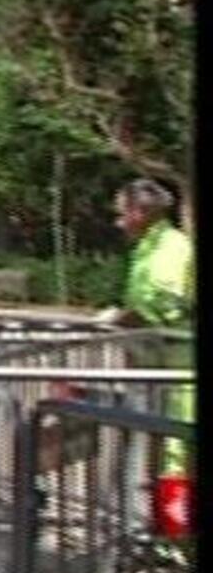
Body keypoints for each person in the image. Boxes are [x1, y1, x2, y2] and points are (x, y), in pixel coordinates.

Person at [99, 179, 194, 476]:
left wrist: (122, 319)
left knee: (175, 451)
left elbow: (168, 304)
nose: (118, 222)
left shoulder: (171, 247)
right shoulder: (148, 247)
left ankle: (175, 521)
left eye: (121, 213)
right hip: (160, 364)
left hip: (179, 367)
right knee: (162, 444)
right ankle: (164, 515)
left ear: (139, 212)